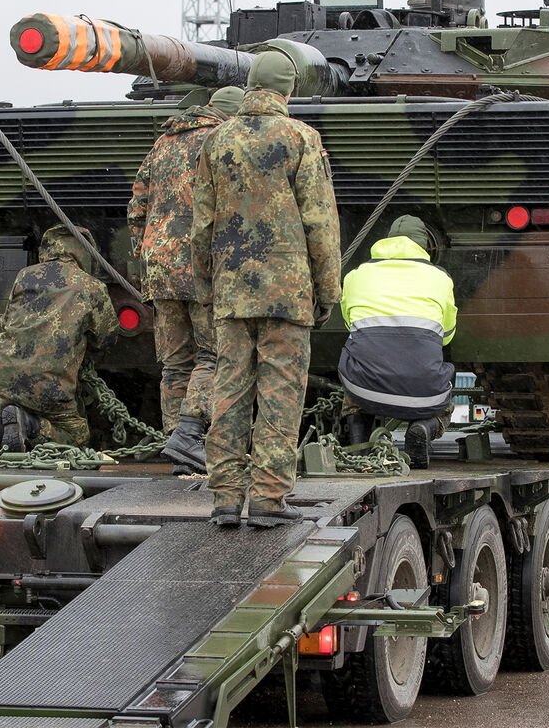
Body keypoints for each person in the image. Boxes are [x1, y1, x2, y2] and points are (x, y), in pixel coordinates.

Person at [192, 50, 341, 528]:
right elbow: (320, 223)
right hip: (287, 292)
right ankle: (268, 498)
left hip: (232, 291)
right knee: (280, 391)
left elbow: (201, 225)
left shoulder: (217, 142)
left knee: (230, 391)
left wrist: (206, 287)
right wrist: (328, 290)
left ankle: (225, 497)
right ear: (288, 90)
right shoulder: (301, 138)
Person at [128, 86, 243, 474]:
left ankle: (179, 450)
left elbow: (137, 205)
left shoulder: (164, 142)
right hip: (202, 264)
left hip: (158, 263)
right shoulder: (223, 141)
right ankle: (191, 436)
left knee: (176, 363)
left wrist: (146, 252)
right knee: (214, 355)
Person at [0, 225, 117, 451]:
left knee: (12, 392)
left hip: (1, 372)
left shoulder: (24, 276)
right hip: (50, 383)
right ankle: (32, 427)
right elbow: (107, 337)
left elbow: (6, 322)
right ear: (85, 252)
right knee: (77, 436)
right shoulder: (92, 286)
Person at [338, 214, 457, 468]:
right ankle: (425, 427)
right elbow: (447, 336)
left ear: (387, 240)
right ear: (424, 246)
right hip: (424, 394)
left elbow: (351, 325)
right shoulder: (441, 279)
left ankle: (358, 443)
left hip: (364, 389)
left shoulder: (355, 275)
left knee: (358, 355)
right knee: (444, 393)